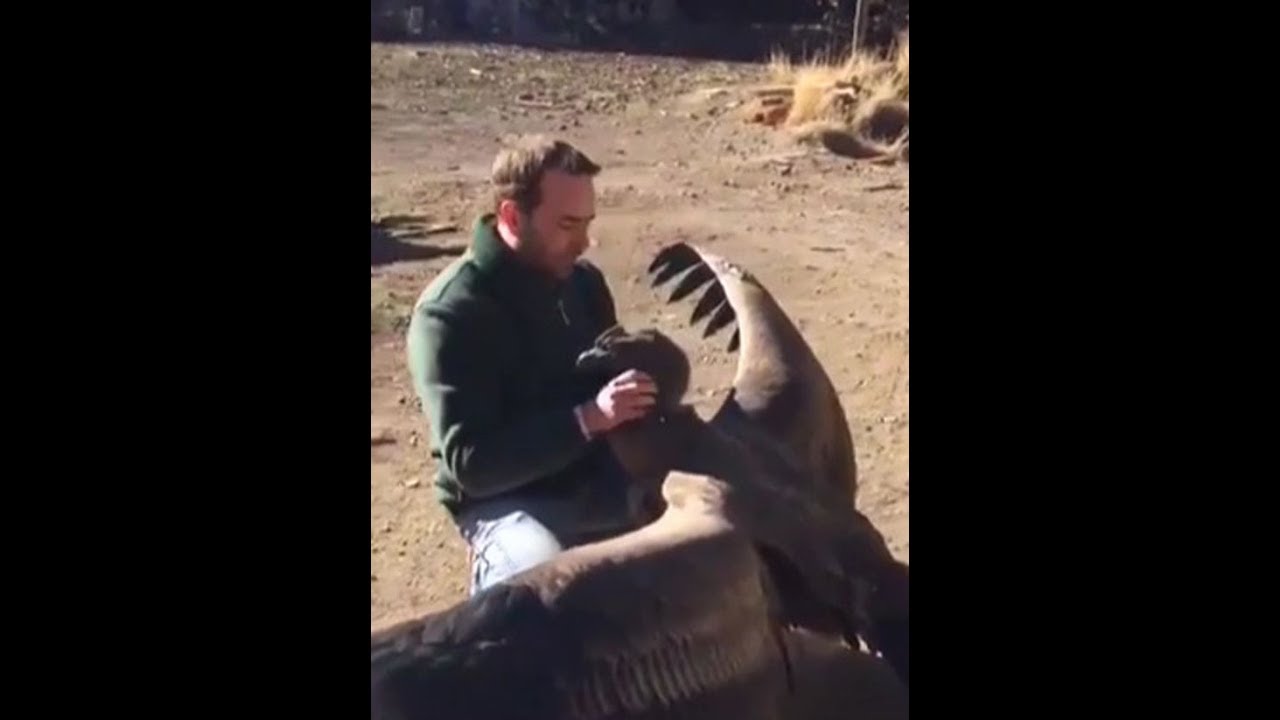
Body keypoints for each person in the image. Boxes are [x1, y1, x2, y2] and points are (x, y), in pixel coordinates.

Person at [406, 136, 658, 595]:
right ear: (511, 216)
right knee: (546, 593)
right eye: (566, 224)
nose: (583, 243)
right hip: (508, 504)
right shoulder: (451, 314)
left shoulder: (583, 285)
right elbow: (473, 465)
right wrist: (588, 419)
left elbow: (611, 387)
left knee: (720, 535)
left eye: (587, 224)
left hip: (600, 480)